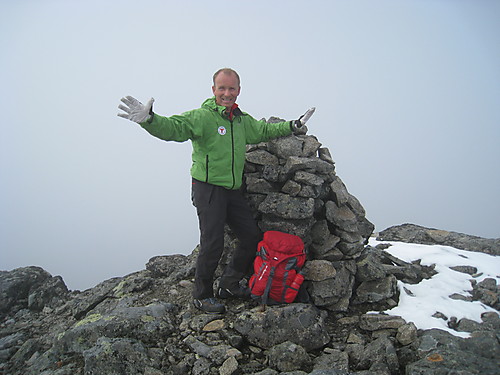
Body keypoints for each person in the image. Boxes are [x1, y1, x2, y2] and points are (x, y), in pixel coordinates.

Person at [118, 68, 313, 313]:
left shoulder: (241, 120)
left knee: (251, 236)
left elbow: (264, 131)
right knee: (212, 243)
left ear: (238, 91)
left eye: (231, 88)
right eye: (222, 88)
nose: (226, 93)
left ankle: (229, 285)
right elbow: (174, 129)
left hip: (232, 189)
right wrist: (150, 120)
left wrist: (293, 125)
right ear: (213, 90)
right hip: (207, 188)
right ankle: (202, 296)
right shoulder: (203, 117)